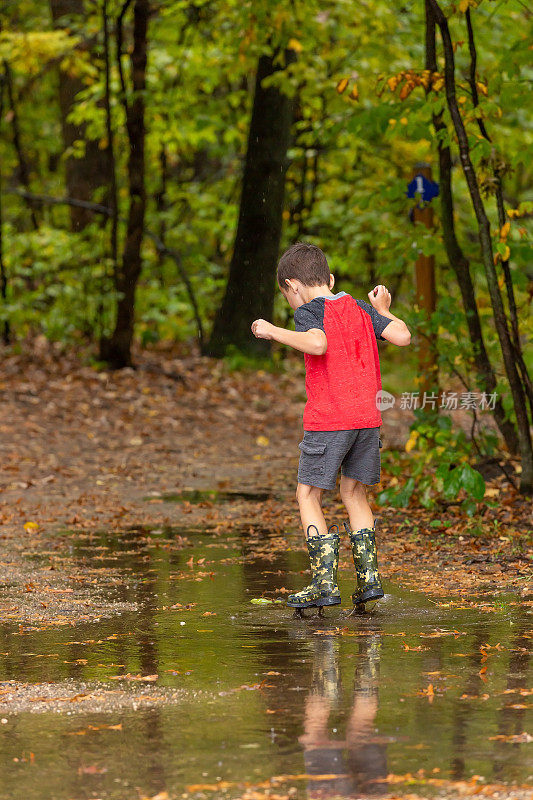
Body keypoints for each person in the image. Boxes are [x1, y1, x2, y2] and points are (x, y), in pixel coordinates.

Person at [251, 242, 411, 615]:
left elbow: (318, 344)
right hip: (367, 421)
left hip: (331, 420)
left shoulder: (309, 311)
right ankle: (369, 581)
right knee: (354, 493)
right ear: (331, 278)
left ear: (292, 286)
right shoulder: (359, 308)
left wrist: (274, 331)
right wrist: (383, 311)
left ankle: (324, 585)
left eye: (287, 296)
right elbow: (402, 336)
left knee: (308, 495)